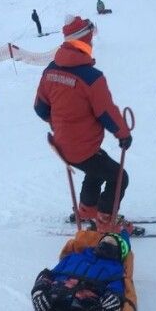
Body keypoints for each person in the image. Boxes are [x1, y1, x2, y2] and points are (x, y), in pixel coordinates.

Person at [34, 16, 133, 233]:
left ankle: (88, 208)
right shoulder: (91, 78)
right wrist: (123, 134)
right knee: (119, 177)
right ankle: (105, 219)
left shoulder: (50, 70)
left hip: (62, 145)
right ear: (85, 41)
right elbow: (106, 112)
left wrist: (59, 123)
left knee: (96, 166)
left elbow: (40, 108)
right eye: (91, 39)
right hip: (82, 148)